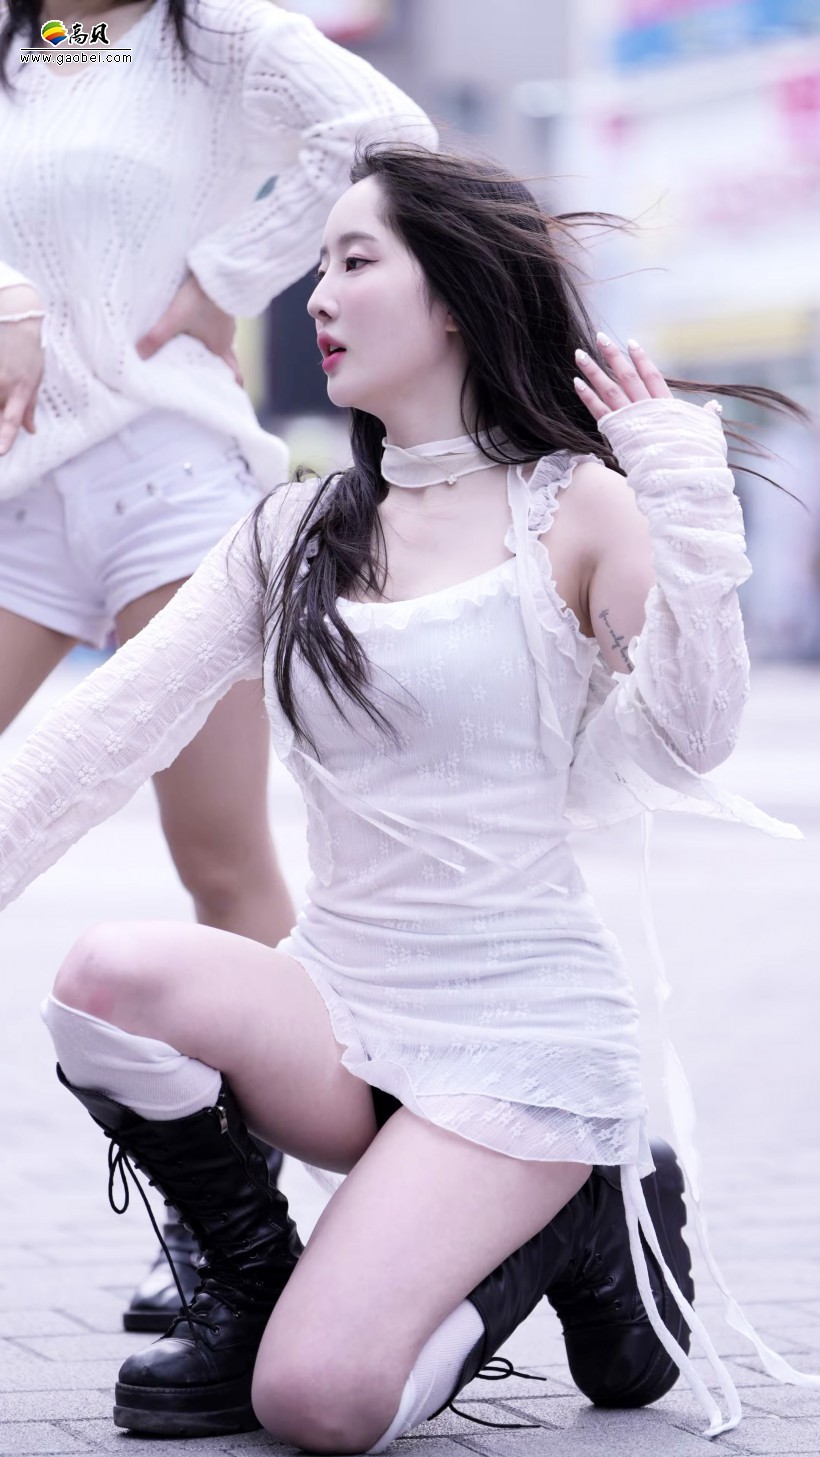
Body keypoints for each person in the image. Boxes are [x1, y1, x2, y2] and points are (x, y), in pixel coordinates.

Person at [1, 142, 817, 1448]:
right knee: (106, 975)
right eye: (316, 265)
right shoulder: (296, 532)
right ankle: (251, 1280)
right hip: (338, 1014)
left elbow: (690, 738)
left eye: (354, 261)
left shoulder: (580, 508)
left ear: (452, 295)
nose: (317, 296)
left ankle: (579, 1213)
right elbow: (103, 732)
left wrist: (688, 507)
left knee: (318, 1400)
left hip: (519, 1042)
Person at [0, 0, 436, 1328]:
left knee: (219, 855)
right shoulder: (33, 43)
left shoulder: (205, 36)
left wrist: (224, 280)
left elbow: (385, 126)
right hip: (20, 493)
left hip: (170, 480)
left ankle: (230, 1216)